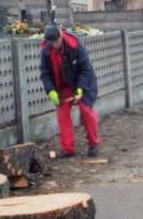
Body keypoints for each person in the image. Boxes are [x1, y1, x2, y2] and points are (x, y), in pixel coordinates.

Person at [39, 25, 101, 158]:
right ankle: (68, 149)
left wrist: (80, 89)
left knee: (86, 111)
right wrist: (51, 91)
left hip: (81, 83)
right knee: (62, 114)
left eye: (56, 42)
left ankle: (93, 144)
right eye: (51, 43)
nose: (54, 45)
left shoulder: (75, 45)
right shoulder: (45, 51)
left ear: (61, 36)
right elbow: (45, 74)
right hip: (63, 86)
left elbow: (86, 69)